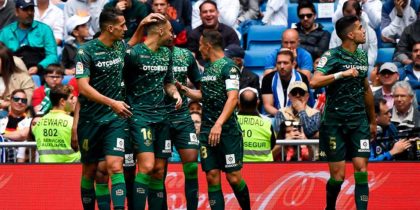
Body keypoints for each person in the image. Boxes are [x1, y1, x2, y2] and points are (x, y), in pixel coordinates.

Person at [74, 8, 161, 210]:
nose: (125, 28)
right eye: (122, 25)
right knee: (89, 171)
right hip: (90, 120)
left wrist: (142, 25)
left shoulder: (119, 46)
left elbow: (132, 42)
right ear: (110, 28)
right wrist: (111, 102)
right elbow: (83, 88)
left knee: (115, 166)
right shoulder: (85, 52)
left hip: (115, 119)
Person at [311, 16, 376, 210]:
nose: (364, 31)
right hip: (334, 123)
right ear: (350, 34)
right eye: (359, 28)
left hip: (358, 121)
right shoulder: (331, 56)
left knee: (361, 169)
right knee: (338, 177)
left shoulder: (362, 56)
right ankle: (330, 207)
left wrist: (372, 120)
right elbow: (314, 82)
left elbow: (366, 89)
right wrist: (341, 74)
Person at [123, 17, 182, 210]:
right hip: (140, 116)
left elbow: (168, 82)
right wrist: (140, 25)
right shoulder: (134, 53)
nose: (173, 35)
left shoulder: (167, 53)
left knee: (158, 171)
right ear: (160, 31)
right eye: (170, 30)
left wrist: (175, 93)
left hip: (162, 117)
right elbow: (118, 56)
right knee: (146, 167)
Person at [198, 30, 250, 210]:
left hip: (226, 131)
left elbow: (233, 98)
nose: (199, 49)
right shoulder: (208, 68)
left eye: (200, 45)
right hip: (206, 130)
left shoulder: (229, 67)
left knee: (233, 177)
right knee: (211, 176)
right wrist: (184, 90)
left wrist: (218, 124)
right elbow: (204, 95)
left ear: (208, 45)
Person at [160, 36, 202, 209]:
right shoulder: (147, 55)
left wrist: (187, 91)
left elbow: (201, 86)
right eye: (166, 31)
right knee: (158, 171)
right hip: (158, 118)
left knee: (192, 167)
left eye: (172, 31)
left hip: (182, 117)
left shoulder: (186, 55)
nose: (170, 35)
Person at [0, 0, 58, 75]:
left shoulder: (45, 30)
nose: (29, 13)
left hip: (39, 71)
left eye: (32, 9)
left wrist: (39, 67)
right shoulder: (5, 32)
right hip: (13, 71)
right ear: (16, 12)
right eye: (25, 9)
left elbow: (52, 55)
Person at [32, 84, 80, 162]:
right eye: (71, 98)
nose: (73, 101)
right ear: (62, 101)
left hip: (46, 171)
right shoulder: (73, 122)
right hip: (71, 170)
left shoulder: (39, 123)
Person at [187, 0, 240, 66]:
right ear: (200, 15)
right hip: (202, 72)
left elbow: (237, 57)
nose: (208, 14)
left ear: (218, 13)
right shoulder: (194, 34)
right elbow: (191, 57)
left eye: (211, 11)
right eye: (205, 12)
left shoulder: (230, 32)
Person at [261, 49, 311, 116]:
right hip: (274, 116)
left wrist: (291, 117)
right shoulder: (268, 79)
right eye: (279, 63)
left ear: (293, 64)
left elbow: (303, 102)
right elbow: (267, 105)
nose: (282, 66)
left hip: (297, 115)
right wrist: (282, 116)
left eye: (285, 63)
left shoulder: (302, 78)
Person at [329, 0, 377, 69]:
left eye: (352, 17)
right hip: (342, 69)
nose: (349, 21)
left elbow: (372, 57)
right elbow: (332, 54)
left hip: (364, 68)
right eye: (346, 17)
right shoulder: (336, 32)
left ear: (360, 13)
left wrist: (359, 68)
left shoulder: (370, 32)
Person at [237, 87, 277, 162]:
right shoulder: (267, 122)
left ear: (239, 102)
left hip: (237, 167)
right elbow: (272, 145)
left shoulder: (231, 121)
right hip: (264, 167)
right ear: (258, 102)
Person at [0, 43, 35, 115]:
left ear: (5, 61)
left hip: (13, 116)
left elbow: (25, 102)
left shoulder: (24, 79)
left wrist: (6, 105)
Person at [1, 89, 30, 162]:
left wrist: (2, 136)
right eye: (16, 99)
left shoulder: (30, 121)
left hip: (21, 162)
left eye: (23, 100)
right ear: (10, 101)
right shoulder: (1, 121)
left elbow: (23, 134)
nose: (20, 102)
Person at [400, 42, 420, 110]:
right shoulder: (403, 73)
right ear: (411, 54)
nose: (418, 54)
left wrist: (410, 83)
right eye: (415, 51)